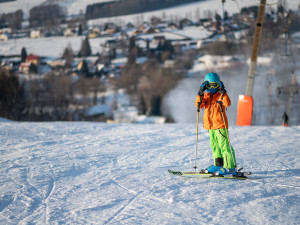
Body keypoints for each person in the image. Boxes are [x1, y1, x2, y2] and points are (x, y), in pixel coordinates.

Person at [195, 72, 237, 176]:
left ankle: (230, 167)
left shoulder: (221, 95)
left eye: (215, 85)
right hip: (210, 126)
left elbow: (227, 103)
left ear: (219, 84)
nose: (212, 87)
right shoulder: (206, 95)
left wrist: (223, 91)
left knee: (224, 146)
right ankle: (218, 164)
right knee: (215, 146)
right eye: (210, 85)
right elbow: (198, 105)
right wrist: (200, 93)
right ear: (206, 85)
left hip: (220, 125)